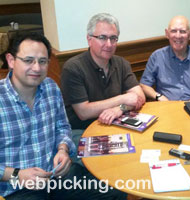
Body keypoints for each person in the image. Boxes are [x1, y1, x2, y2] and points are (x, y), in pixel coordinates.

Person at [0, 33, 126, 199]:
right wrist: (16, 174)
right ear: (11, 61)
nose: (37, 68)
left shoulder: (51, 88)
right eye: (28, 60)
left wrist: (63, 150)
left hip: (57, 176)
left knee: (115, 191)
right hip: (18, 187)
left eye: (42, 61)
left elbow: (63, 127)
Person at [61, 13, 145, 129]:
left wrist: (119, 109)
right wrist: (123, 98)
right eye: (102, 37)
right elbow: (84, 112)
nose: (109, 44)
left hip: (116, 123)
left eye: (113, 38)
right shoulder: (73, 68)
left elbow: (139, 96)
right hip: (82, 129)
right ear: (89, 39)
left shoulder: (121, 63)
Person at [140, 15, 190, 101]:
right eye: (173, 31)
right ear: (167, 34)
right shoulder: (157, 56)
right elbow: (144, 85)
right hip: (165, 106)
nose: (178, 36)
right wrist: (159, 97)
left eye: (182, 31)